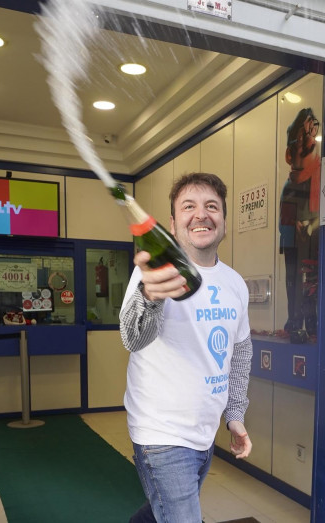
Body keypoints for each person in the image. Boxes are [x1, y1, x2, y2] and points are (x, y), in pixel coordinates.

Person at [119, 172, 253, 523]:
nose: (201, 214)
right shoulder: (156, 273)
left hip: (204, 432)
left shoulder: (235, 284)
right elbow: (133, 339)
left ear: (224, 221)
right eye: (188, 207)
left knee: (160, 511)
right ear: (173, 225)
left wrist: (235, 415)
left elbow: (239, 353)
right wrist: (149, 296)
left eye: (212, 206)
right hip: (161, 432)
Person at [278, 107, 321, 343]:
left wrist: (312, 225)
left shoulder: (318, 179)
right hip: (296, 245)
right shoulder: (291, 185)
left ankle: (311, 323)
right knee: (296, 283)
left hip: (313, 243)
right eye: (304, 139)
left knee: (312, 283)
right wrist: (294, 227)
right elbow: (285, 220)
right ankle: (295, 323)